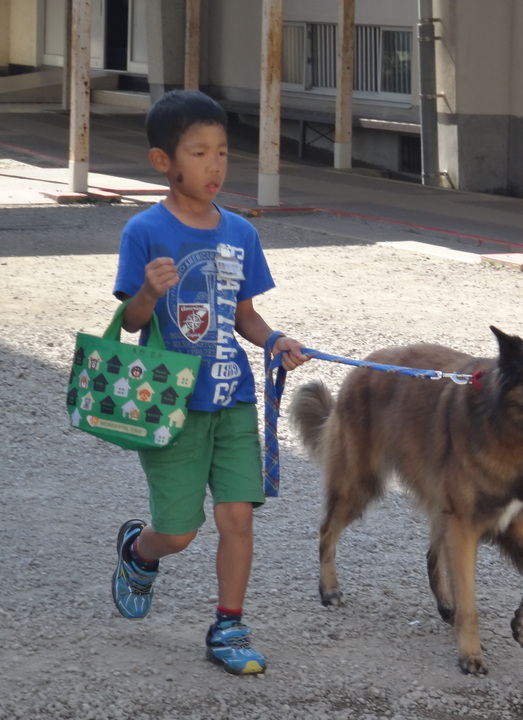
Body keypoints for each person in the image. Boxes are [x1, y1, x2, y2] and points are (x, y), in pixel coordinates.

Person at [111, 89, 309, 675]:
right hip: (169, 402)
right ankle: (139, 552)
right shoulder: (144, 231)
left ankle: (229, 625)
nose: (214, 166)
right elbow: (130, 323)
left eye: (222, 152)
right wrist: (148, 291)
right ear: (163, 162)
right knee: (178, 532)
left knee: (238, 518)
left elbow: (245, 315)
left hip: (234, 399)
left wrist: (275, 341)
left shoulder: (241, 233)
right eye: (198, 153)